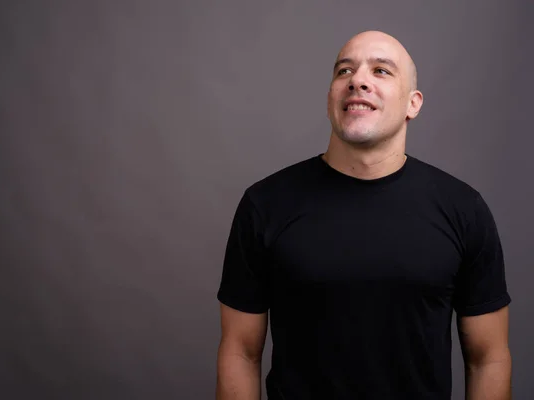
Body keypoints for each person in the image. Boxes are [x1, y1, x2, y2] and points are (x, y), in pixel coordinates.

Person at [215, 30, 512, 400]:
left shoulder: (464, 210)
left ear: (413, 104)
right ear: (329, 100)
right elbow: (240, 353)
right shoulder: (265, 204)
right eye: (344, 71)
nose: (357, 80)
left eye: (381, 71)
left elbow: (489, 359)